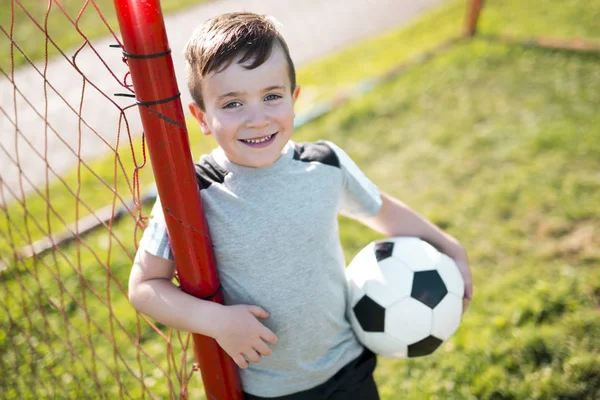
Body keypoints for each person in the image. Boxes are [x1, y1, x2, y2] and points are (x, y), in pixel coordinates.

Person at [128, 12, 473, 400]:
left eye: (271, 96)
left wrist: (450, 247)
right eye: (232, 104)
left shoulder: (324, 164)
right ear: (202, 118)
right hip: (267, 389)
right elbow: (144, 286)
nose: (257, 119)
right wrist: (216, 321)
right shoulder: (192, 191)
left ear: (294, 99)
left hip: (349, 368)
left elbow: (385, 212)